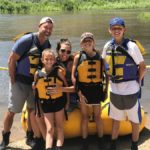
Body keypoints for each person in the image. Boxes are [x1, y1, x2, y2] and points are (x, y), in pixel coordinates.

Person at [0, 16, 54, 150]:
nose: (47, 30)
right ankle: (5, 138)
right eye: (45, 27)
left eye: (50, 28)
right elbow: (12, 59)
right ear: (39, 26)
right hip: (19, 81)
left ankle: (29, 137)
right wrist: (12, 77)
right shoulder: (27, 40)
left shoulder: (47, 44)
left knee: (31, 110)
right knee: (12, 110)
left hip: (34, 83)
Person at [102, 17, 146, 150]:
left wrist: (137, 82)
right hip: (114, 91)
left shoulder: (131, 46)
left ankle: (134, 145)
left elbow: (142, 67)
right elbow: (104, 65)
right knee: (115, 120)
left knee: (135, 121)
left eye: (119, 28)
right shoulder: (107, 46)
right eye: (114, 28)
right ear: (109, 30)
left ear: (124, 30)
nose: (116, 31)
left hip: (131, 90)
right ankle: (113, 144)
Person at [71, 32, 108, 150]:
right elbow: (73, 76)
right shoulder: (78, 57)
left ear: (93, 42)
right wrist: (79, 92)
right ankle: (85, 143)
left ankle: (101, 141)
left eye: (89, 40)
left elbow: (106, 75)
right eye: (85, 41)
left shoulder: (100, 58)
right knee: (85, 117)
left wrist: (106, 90)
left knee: (98, 117)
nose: (87, 43)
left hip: (97, 90)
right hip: (83, 90)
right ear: (81, 44)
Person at [33, 49, 69, 150]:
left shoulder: (58, 72)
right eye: (46, 59)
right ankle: (48, 148)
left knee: (60, 127)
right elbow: (36, 92)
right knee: (49, 129)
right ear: (42, 60)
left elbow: (66, 86)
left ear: (54, 60)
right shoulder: (37, 74)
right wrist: (38, 108)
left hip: (59, 103)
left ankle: (58, 147)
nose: (49, 61)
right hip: (46, 104)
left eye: (51, 59)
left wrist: (67, 102)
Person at [56, 38, 78, 111]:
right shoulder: (53, 62)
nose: (65, 54)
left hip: (72, 95)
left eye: (68, 52)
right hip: (59, 94)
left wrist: (60, 89)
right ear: (57, 50)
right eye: (62, 50)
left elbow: (78, 88)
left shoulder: (74, 63)